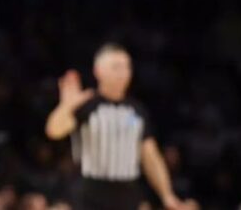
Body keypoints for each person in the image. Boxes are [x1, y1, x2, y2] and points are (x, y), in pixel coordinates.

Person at [45, 43, 184, 210]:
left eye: (127, 67)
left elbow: (150, 155)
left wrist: (167, 194)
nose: (123, 73)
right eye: (116, 67)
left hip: (127, 194)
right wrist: (66, 106)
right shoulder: (86, 103)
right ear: (98, 71)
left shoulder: (137, 109)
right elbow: (54, 130)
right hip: (89, 195)